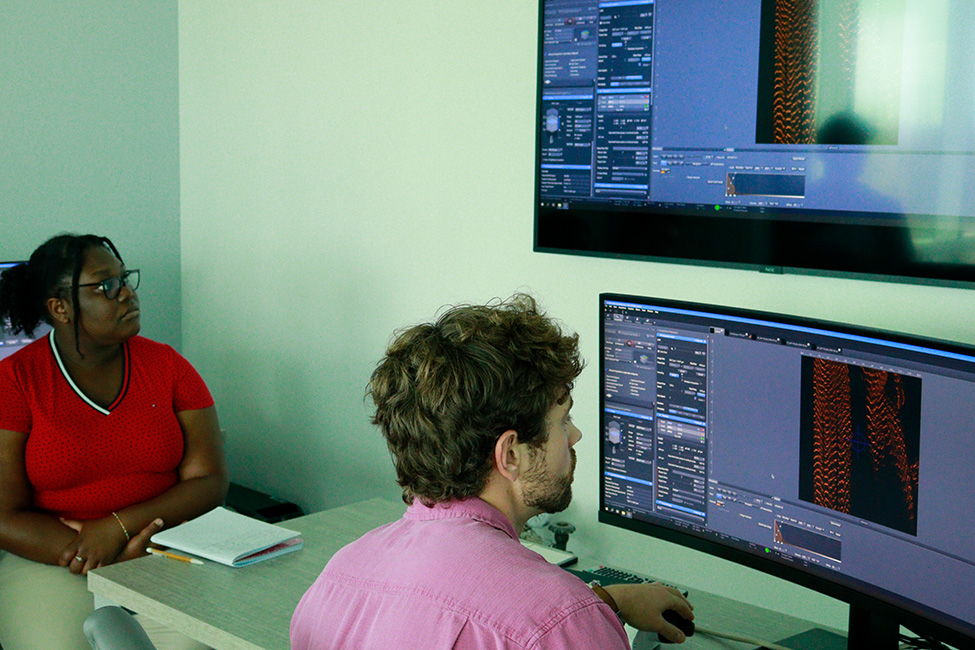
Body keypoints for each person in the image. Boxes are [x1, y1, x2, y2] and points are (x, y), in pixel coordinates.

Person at [290, 294, 694, 649]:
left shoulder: (336, 581)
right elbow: (539, 626)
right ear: (510, 455)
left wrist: (606, 604)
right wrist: (584, 618)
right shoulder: (563, 623)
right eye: (562, 421)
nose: (575, 435)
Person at [0, 234, 229, 650]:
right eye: (106, 285)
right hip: (55, 557)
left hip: (166, 549)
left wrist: (118, 529)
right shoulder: (15, 382)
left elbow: (210, 479)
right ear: (60, 307)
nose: (127, 293)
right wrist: (96, 551)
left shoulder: (169, 366)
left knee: (193, 645)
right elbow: (4, 513)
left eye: (125, 279)